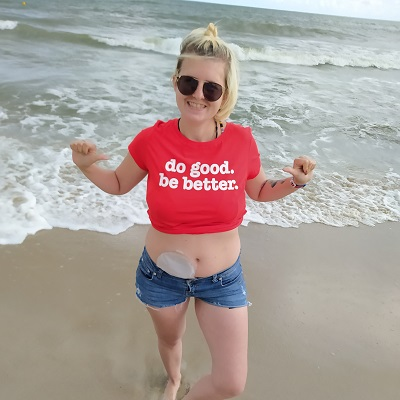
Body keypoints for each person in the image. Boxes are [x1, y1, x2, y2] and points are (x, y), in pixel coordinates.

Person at [70, 23, 316, 400]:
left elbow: (259, 190)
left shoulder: (241, 141)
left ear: (224, 94)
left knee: (231, 383)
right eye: (189, 83)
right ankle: (173, 380)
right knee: (171, 340)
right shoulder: (152, 140)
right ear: (175, 83)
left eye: (211, 88)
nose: (198, 95)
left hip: (223, 279)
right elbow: (118, 183)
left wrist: (295, 182)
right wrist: (86, 167)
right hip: (161, 276)